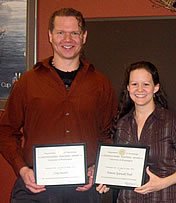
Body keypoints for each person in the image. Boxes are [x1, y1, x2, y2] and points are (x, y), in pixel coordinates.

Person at [0, 8, 117, 203]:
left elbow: (110, 133)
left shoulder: (100, 83)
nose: (67, 39)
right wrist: (22, 169)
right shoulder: (28, 82)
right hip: (36, 187)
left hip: (85, 191)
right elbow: (5, 131)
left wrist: (98, 167)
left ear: (84, 36)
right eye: (60, 32)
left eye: (74, 33)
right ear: (50, 36)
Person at [96, 61, 176, 202]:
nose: (139, 89)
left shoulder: (173, 121)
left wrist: (162, 183)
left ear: (156, 87)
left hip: (164, 197)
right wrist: (108, 180)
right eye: (134, 84)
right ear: (128, 88)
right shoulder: (122, 123)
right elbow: (120, 164)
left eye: (146, 84)